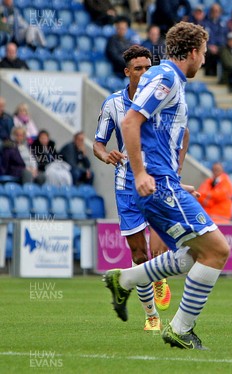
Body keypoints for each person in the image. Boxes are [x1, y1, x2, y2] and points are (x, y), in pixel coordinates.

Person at [104, 22, 230, 350]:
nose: (203, 60)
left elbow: (154, 134)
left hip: (164, 182)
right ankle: (180, 328)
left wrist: (173, 181)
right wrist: (142, 173)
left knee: (196, 255)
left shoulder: (168, 80)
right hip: (155, 183)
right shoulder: (167, 77)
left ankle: (125, 279)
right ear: (191, 52)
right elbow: (131, 122)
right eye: (202, 53)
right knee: (218, 251)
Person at [94, 45, 173, 331]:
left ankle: (160, 274)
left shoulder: (161, 98)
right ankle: (151, 315)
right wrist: (106, 156)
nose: (144, 73)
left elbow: (183, 132)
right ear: (127, 72)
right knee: (139, 255)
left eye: (148, 68)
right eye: (138, 69)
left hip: (158, 180)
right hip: (126, 184)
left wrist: (175, 167)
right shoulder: (113, 103)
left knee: (161, 243)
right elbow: (98, 143)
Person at [202, 3, 226, 77]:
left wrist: (217, 46)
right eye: (213, 11)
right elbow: (204, 36)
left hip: (219, 46)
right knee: (207, 51)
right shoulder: (205, 22)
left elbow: (222, 36)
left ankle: (222, 76)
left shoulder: (222, 23)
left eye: (217, 11)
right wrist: (210, 45)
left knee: (224, 52)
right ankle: (208, 73)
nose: (215, 13)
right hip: (208, 46)